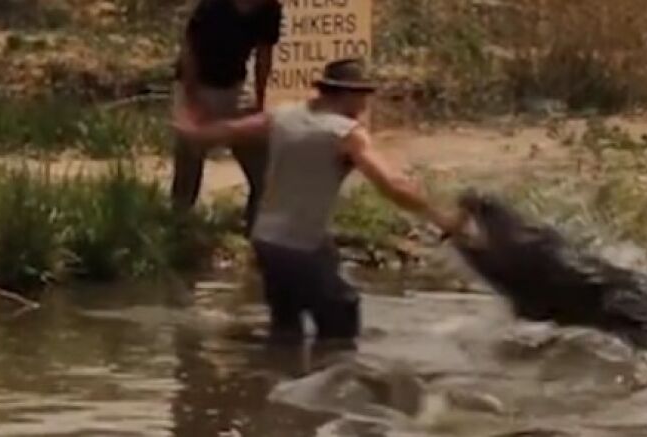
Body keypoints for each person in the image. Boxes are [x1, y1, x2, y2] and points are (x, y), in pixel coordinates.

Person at [173, 58, 472, 348]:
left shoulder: (283, 116)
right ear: (348, 95)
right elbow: (392, 185)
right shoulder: (345, 133)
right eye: (363, 98)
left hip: (266, 242)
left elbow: (222, 132)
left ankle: (273, 386)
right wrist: (442, 217)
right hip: (298, 247)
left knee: (286, 328)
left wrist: (188, 121)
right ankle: (328, 383)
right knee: (342, 316)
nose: (365, 107)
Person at [172, 0, 283, 234]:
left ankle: (257, 232)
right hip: (197, 83)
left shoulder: (270, 9)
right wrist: (192, 99)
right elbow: (190, 48)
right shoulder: (213, 6)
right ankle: (179, 229)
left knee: (261, 168)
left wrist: (259, 101)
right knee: (189, 165)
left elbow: (264, 54)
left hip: (235, 86)